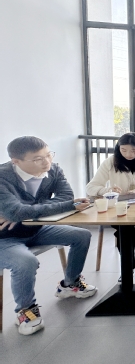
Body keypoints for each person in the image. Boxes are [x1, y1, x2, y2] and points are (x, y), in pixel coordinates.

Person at [0, 136, 97, 336]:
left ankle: (69, 284)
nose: (46, 162)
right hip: (5, 238)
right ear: (16, 161)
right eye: (38, 159)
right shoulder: (2, 177)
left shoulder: (53, 169)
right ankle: (25, 311)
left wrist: (23, 212)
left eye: (48, 155)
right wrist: (19, 213)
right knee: (26, 262)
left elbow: (66, 197)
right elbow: (67, 203)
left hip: (36, 229)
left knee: (82, 235)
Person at [86, 132, 135, 282]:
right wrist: (108, 190)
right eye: (124, 150)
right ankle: (128, 267)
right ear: (118, 148)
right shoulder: (111, 162)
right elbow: (91, 187)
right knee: (124, 230)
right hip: (119, 207)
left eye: (133, 150)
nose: (128, 154)